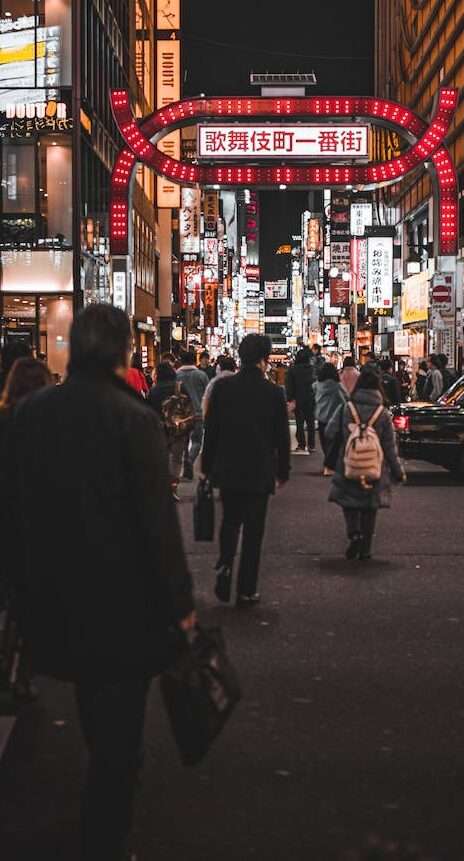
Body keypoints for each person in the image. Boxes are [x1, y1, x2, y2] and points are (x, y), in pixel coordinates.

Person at [3, 304, 195, 861]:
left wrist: (16, 582)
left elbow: (11, 507)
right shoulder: (133, 418)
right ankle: (103, 838)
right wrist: (180, 603)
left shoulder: (29, 416)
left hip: (52, 592)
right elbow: (157, 524)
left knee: (91, 702)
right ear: (122, 352)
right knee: (120, 739)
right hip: (123, 600)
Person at [202, 334, 290, 607]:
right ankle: (246, 589)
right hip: (259, 470)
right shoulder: (274, 393)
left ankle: (225, 565)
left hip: (228, 468)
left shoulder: (223, 388)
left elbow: (212, 431)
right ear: (265, 360)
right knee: (253, 532)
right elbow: (282, 437)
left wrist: (207, 467)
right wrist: (283, 471)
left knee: (230, 523)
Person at [0, 358, 53, 700]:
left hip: (5, 514)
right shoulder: (47, 426)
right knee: (27, 600)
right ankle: (18, 668)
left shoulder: (4, 419)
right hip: (34, 521)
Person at [326, 366, 405, 561]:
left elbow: (329, 431)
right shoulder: (383, 413)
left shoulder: (347, 408)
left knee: (349, 503)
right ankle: (366, 549)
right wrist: (398, 471)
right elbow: (389, 447)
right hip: (374, 467)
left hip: (349, 463)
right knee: (370, 508)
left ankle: (354, 533)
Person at [148, 361, 189, 499]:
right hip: (179, 429)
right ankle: (173, 487)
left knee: (163, 458)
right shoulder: (180, 386)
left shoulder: (154, 390)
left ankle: (163, 487)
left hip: (161, 429)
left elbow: (150, 411)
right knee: (177, 459)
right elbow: (188, 406)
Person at [177, 348, 209, 479]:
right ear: (195, 360)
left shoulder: (176, 375)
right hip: (198, 412)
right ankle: (190, 460)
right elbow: (208, 394)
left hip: (181, 415)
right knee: (197, 441)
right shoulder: (201, 375)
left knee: (183, 441)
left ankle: (186, 461)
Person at [313, 362, 345, 476]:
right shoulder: (337, 386)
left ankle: (328, 463)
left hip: (321, 417)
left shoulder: (316, 385)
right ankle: (330, 465)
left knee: (324, 442)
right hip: (335, 417)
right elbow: (345, 399)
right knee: (335, 442)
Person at [286, 348, 316, 454]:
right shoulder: (312, 369)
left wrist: (290, 398)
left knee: (299, 422)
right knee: (310, 422)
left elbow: (289, 386)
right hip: (311, 398)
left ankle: (302, 444)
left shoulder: (293, 370)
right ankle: (312, 445)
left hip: (298, 399)